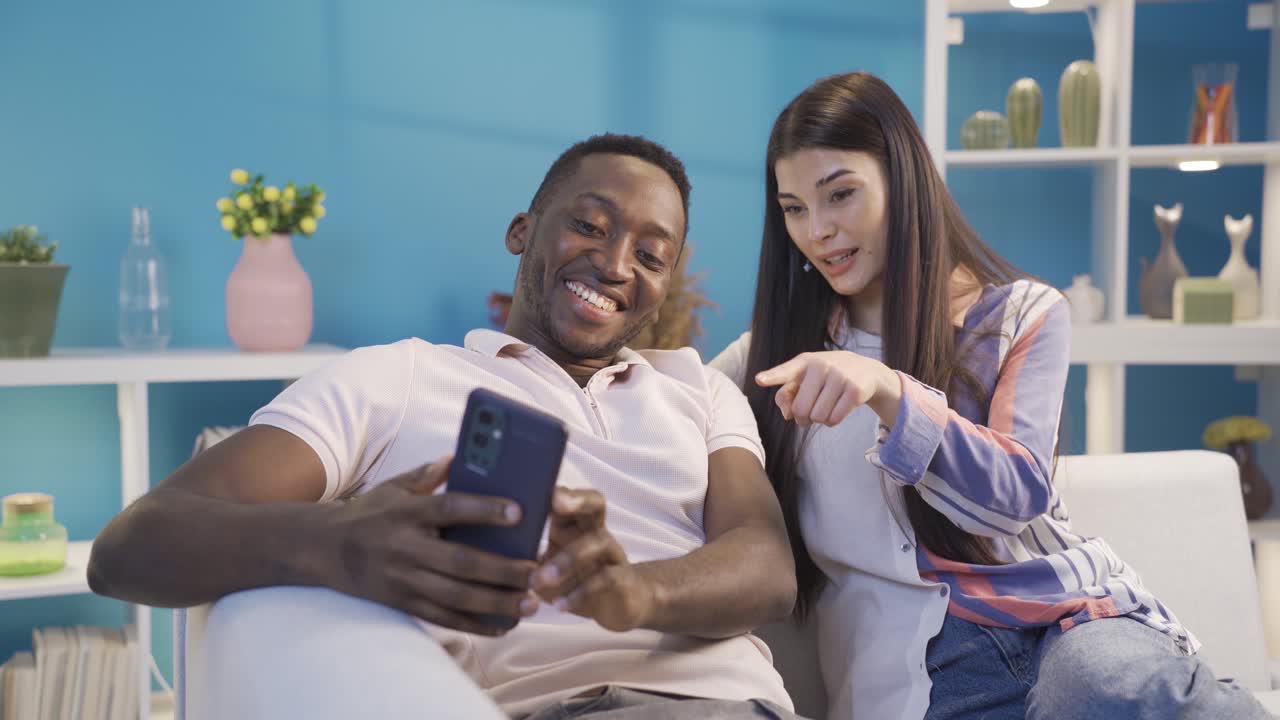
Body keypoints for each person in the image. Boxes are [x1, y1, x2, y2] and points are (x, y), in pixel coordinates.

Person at [88, 134, 804, 720]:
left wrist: (634, 593)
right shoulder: (398, 377)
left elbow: (767, 568)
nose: (616, 265)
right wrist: (338, 544)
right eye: (589, 225)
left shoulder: (700, 390)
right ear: (522, 231)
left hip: (745, 707)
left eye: (650, 256)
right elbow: (129, 545)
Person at [710, 72, 1271, 720]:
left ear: (903, 181)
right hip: (924, 680)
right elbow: (668, 407)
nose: (819, 230)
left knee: (1103, 683)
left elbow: (1017, 493)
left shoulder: (1022, 314)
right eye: (794, 208)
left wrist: (888, 390)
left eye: (841, 194)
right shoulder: (774, 357)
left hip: (1066, 626)